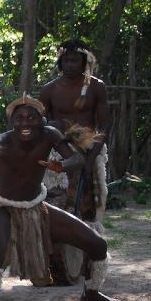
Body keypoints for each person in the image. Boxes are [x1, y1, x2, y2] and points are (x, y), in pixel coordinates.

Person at [0, 94, 123, 301]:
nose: (26, 122)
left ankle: (92, 292)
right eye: (20, 117)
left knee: (97, 244)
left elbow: (77, 158)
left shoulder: (50, 136)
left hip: (37, 207)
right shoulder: (1, 142)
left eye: (31, 117)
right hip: (3, 207)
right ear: (12, 122)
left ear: (41, 119)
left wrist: (62, 165)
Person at [40, 40, 111, 285]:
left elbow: (103, 125)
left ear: (85, 62)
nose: (70, 65)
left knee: (89, 209)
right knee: (56, 202)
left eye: (75, 60)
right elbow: (41, 126)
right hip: (58, 154)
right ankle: (56, 265)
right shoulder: (49, 90)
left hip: (90, 150)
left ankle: (91, 264)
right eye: (66, 60)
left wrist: (91, 159)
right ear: (60, 62)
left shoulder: (96, 87)